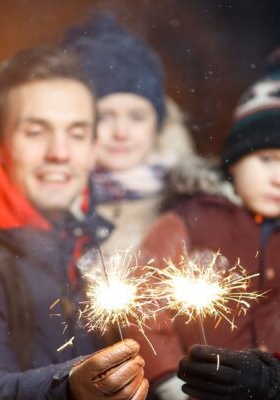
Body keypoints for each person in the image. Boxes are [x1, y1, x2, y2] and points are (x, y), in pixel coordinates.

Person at [0, 46, 149, 399]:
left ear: (92, 148)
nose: (59, 152)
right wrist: (70, 388)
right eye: (35, 131)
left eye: (76, 132)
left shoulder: (89, 248)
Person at [125, 45, 280, 399]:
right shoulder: (191, 218)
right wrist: (170, 380)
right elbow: (142, 303)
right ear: (235, 160)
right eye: (267, 159)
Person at [61, 14, 195, 257]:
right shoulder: (58, 203)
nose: (121, 133)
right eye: (104, 117)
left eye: (137, 117)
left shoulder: (189, 204)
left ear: (158, 125)